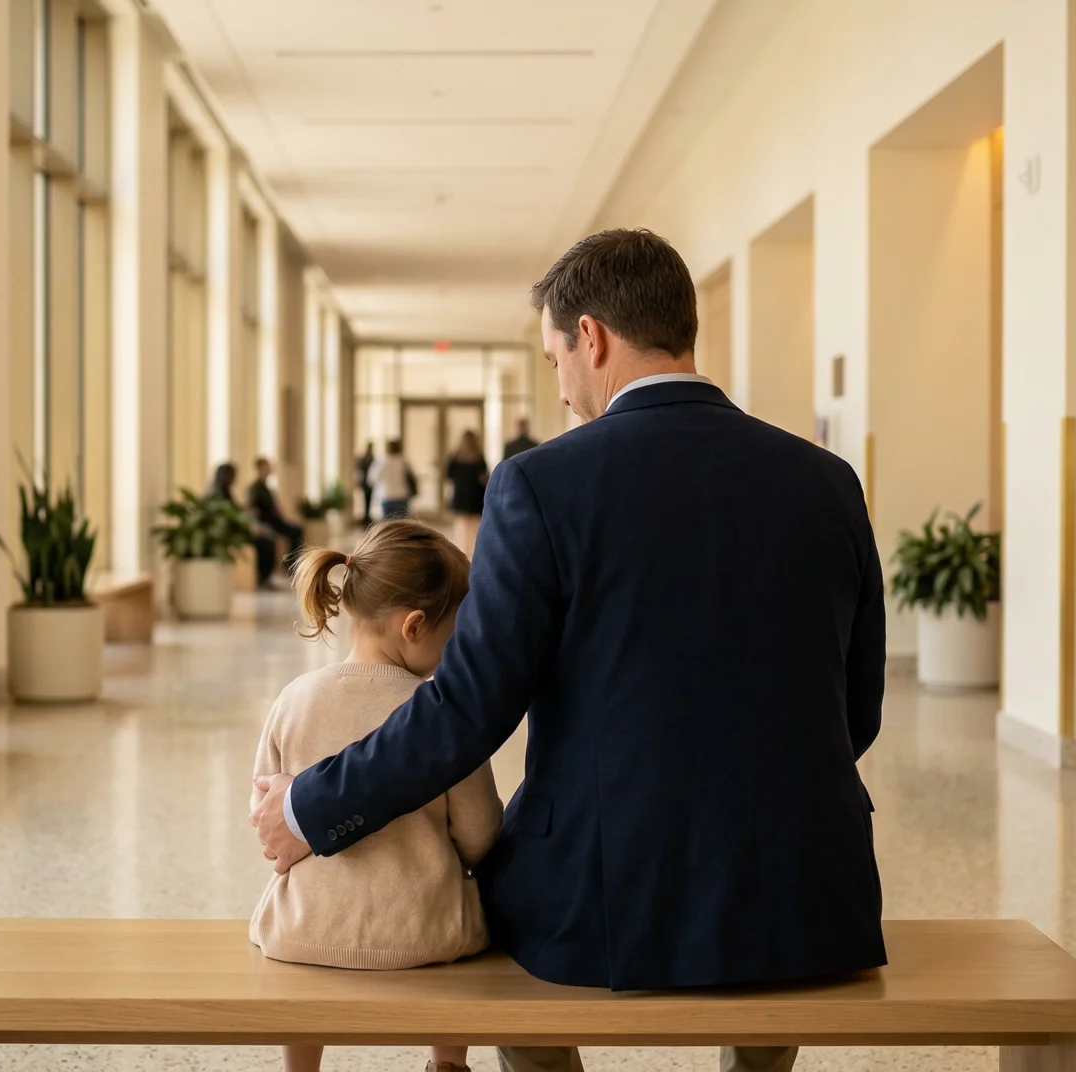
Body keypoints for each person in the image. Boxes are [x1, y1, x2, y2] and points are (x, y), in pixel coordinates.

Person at [252, 229, 887, 1072]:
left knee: (503, 906)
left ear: (591, 336)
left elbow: (468, 708)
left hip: (603, 894)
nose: (560, 390)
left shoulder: (540, 484)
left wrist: (308, 809)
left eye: (555, 360)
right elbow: (859, 706)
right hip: (805, 887)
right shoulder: (827, 480)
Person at [252, 520, 500, 1072]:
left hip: (303, 934)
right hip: (426, 936)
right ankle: (448, 1064)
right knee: (469, 922)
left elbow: (266, 814)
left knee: (298, 968)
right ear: (415, 626)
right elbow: (480, 833)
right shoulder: (441, 715)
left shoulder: (296, 698)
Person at [249, 458, 304, 588]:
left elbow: (277, 509)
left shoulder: (268, 488)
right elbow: (252, 509)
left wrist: (287, 518)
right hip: (266, 522)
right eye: (266, 467)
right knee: (270, 540)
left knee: (296, 530)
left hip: (274, 520)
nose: (269, 470)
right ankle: (266, 575)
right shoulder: (254, 488)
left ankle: (292, 565)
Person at [443, 429, 489, 554]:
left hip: (461, 496)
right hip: (475, 497)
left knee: (461, 528)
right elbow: (484, 477)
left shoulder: (456, 457)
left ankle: (462, 552)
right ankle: (475, 552)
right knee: (475, 527)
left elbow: (448, 475)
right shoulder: (479, 457)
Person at [370, 439, 413, 520]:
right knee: (401, 524)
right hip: (401, 495)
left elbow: (372, 479)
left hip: (387, 495)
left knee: (388, 526)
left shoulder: (381, 461)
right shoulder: (403, 461)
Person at [355, 443, 377, 527]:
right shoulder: (370, 458)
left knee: (367, 501)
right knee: (367, 501)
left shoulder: (365, 458)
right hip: (368, 483)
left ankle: (366, 518)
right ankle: (366, 518)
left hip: (366, 483)